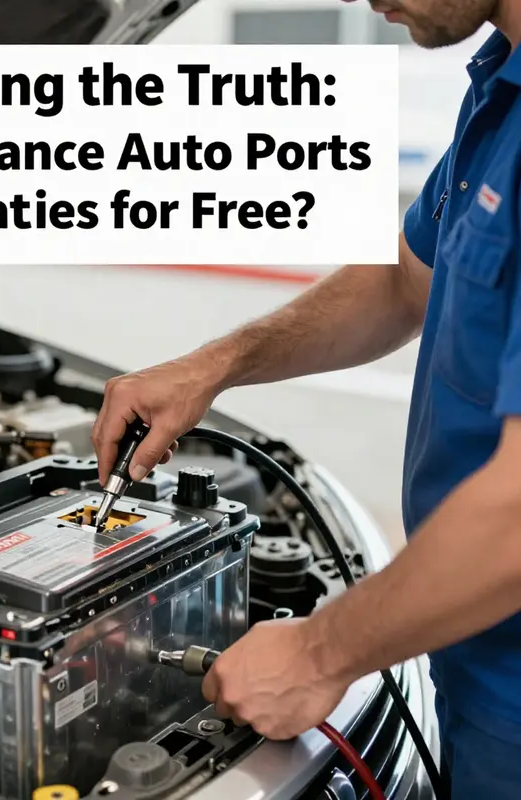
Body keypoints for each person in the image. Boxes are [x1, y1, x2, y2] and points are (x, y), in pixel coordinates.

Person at [90, 1, 521, 796]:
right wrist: (212, 367)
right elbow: (401, 284)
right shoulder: (501, 91)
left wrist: (321, 654)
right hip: (469, 664)